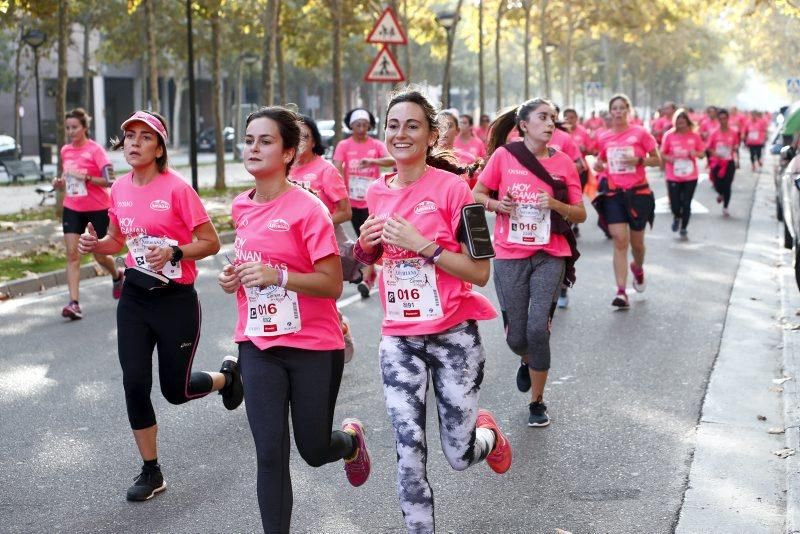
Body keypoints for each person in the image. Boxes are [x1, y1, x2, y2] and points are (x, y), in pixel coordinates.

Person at [354, 89, 511, 533]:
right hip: (398, 338)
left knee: (458, 456)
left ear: (431, 135)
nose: (400, 134)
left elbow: (480, 273)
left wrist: (423, 246)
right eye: (394, 125)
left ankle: (488, 436)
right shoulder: (375, 193)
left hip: (453, 338)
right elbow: (368, 260)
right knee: (408, 450)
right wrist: (364, 249)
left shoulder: (457, 190)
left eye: (412, 125)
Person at [218, 106, 370, 534]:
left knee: (313, 447)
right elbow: (251, 264)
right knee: (269, 453)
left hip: (313, 346)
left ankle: (351, 442)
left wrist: (278, 276)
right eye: (249, 140)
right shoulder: (240, 206)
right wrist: (234, 278)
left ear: (288, 152)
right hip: (258, 344)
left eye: (265, 141)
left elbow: (332, 283)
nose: (253, 148)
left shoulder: (309, 209)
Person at [77, 110, 242, 501]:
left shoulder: (178, 189)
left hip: (175, 300)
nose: (134, 143)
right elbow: (117, 240)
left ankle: (228, 378)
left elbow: (212, 242)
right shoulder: (118, 188)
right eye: (129, 135)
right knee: (134, 382)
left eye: (144, 137)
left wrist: (175, 249)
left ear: (159, 146)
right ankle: (151, 472)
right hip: (135, 296)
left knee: (176, 390)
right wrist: (96, 245)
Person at [474, 98, 585, 427]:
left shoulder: (563, 162)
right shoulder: (504, 157)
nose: (550, 123)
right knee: (516, 338)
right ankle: (526, 359)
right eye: (543, 118)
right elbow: (476, 194)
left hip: (551, 253)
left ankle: (537, 401)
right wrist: (498, 204)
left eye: (553, 118)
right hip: (510, 254)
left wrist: (554, 203)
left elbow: (580, 212)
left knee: (538, 329)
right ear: (523, 125)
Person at [290, 115, 356, 362]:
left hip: (324, 240)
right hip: (294, 243)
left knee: (325, 294)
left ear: (315, 139)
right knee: (301, 293)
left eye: (305, 136)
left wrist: (317, 223)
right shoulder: (284, 170)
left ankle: (339, 329)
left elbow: (345, 211)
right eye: (295, 136)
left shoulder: (325, 170)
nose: (300, 141)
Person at [593, 94, 662, 309]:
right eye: (615, 108)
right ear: (610, 111)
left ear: (628, 110)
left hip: (639, 194)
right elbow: (601, 161)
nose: (619, 111)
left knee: (637, 244)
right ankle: (621, 292)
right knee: (620, 240)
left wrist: (639, 160)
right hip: (614, 195)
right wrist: (598, 166)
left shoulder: (641, 133)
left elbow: (657, 160)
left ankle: (638, 268)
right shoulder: (604, 137)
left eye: (623, 108)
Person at [53, 108, 122, 319]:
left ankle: (117, 276)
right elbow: (68, 180)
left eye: (75, 127)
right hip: (73, 207)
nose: (71, 131)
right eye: (68, 128)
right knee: (73, 254)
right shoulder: (65, 150)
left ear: (84, 128)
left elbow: (111, 179)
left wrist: (87, 178)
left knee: (100, 254)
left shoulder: (96, 151)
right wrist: (60, 184)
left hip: (98, 207)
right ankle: (73, 303)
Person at [333, 108, 394, 298]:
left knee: (375, 237)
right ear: (350, 126)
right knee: (364, 237)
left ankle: (369, 276)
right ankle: (369, 273)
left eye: (364, 125)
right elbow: (336, 168)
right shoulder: (344, 145)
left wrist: (373, 162)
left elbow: (392, 160)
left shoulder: (375, 144)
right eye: (357, 125)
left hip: (373, 200)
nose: (361, 129)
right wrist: (339, 194)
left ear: (370, 126)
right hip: (352, 200)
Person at [660, 108, 705, 238]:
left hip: (690, 175)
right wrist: (670, 159)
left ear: (687, 122)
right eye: (678, 122)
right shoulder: (669, 135)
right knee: (675, 204)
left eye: (683, 121)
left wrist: (695, 153)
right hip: (673, 175)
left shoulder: (694, 136)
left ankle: (684, 227)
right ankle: (676, 217)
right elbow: (662, 153)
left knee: (686, 203)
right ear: (675, 122)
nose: (680, 124)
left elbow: (702, 154)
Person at [706, 108, 740, 217]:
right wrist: (715, 154)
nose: (722, 121)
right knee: (717, 184)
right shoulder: (714, 133)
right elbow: (709, 148)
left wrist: (737, 158)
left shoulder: (733, 133)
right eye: (720, 119)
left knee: (727, 185)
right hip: (717, 163)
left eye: (724, 118)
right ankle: (720, 193)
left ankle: (725, 207)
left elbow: (736, 146)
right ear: (718, 120)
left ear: (728, 119)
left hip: (729, 162)